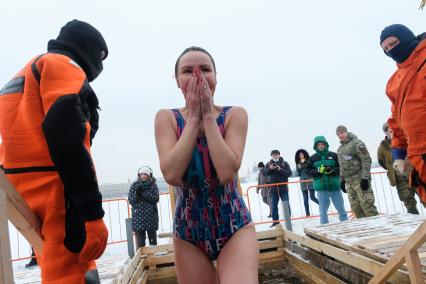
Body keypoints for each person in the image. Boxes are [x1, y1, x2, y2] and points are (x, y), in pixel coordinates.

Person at [0, 19, 108, 283]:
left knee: (54, 265)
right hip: (56, 189)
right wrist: (91, 212)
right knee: (72, 272)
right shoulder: (63, 65)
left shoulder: (24, 73)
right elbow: (64, 134)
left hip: (19, 186)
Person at [154, 46, 258, 284]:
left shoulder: (234, 115)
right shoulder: (167, 118)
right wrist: (193, 118)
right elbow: (171, 173)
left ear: (216, 78)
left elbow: (226, 171)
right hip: (188, 233)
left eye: (205, 69)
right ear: (178, 81)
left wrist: (208, 117)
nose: (197, 76)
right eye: (188, 71)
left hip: (234, 226)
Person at [380, 24, 426, 204]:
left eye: (393, 43)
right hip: (418, 154)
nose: (391, 50)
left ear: (406, 37)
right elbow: (396, 120)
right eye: (386, 49)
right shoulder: (394, 81)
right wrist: (399, 153)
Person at [336, 125, 379, 218]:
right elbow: (341, 166)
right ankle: (365, 230)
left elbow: (366, 160)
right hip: (349, 182)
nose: (340, 135)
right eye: (338, 134)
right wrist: (342, 180)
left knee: (368, 206)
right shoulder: (340, 149)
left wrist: (365, 178)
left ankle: (378, 229)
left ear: (346, 132)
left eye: (342, 132)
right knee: (356, 209)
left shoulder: (357, 143)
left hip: (359, 179)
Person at [378, 123, 419, 214]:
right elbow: (381, 161)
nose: (389, 131)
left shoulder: (404, 139)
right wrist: (393, 168)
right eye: (387, 130)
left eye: (391, 129)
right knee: (408, 202)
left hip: (414, 174)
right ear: (385, 132)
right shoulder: (382, 146)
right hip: (399, 178)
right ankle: (416, 224)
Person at [307, 136, 348, 225]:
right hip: (321, 188)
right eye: (318, 144)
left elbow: (341, 167)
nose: (321, 146)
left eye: (322, 144)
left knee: (341, 209)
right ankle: (324, 229)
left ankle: (346, 225)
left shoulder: (333, 155)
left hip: (334, 186)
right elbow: (308, 172)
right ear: (316, 146)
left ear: (325, 144)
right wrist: (318, 170)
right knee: (323, 212)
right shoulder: (312, 158)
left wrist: (332, 170)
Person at [129, 166, 160, 249]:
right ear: (139, 175)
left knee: (153, 244)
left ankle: (154, 260)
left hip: (151, 217)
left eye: (145, 174)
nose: (143, 176)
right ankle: (141, 259)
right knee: (140, 245)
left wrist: (143, 193)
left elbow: (155, 199)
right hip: (139, 218)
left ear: (149, 175)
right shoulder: (134, 186)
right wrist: (137, 194)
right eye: (141, 174)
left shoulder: (153, 185)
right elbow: (131, 200)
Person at [263, 150, 292, 227]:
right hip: (273, 189)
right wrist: (270, 168)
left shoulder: (284, 163)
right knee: (273, 205)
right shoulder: (268, 164)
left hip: (283, 188)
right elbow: (264, 173)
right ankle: (275, 221)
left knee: (286, 204)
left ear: (279, 155)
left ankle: (288, 220)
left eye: (276, 155)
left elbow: (289, 173)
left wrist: (280, 169)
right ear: (271, 156)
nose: (275, 156)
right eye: (273, 155)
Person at [295, 149, 319, 216]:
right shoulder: (298, 163)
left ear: (305, 154)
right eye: (300, 155)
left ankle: (322, 205)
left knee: (312, 197)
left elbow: (311, 169)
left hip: (310, 180)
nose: (301, 155)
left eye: (302, 154)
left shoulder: (309, 161)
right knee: (305, 199)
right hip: (302, 181)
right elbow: (298, 173)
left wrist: (305, 165)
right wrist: (299, 167)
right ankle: (307, 213)